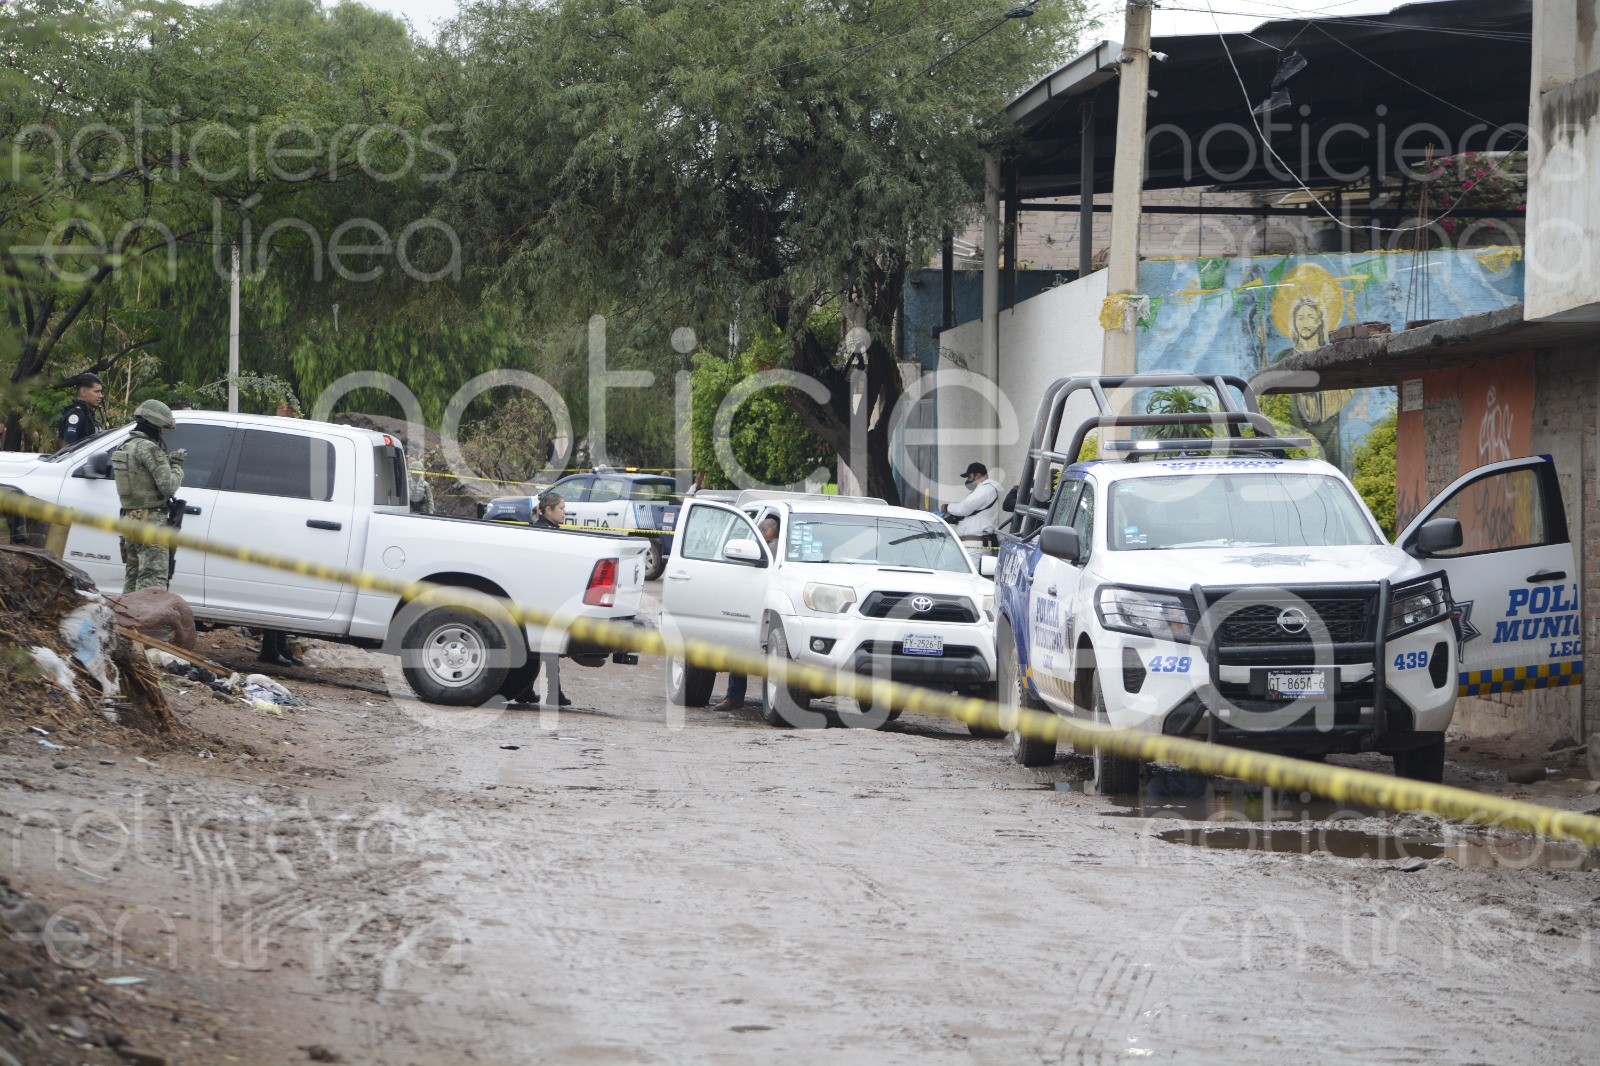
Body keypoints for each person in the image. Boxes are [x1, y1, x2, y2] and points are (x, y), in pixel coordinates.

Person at [110, 400, 186, 593]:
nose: (164, 432)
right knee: (152, 582)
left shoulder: (124, 446)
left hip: (129, 519)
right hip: (151, 520)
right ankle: (144, 624)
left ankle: (126, 622)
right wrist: (176, 465)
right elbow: (168, 486)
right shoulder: (149, 449)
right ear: (156, 426)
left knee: (132, 578)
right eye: (163, 428)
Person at [710, 517, 780, 713]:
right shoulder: (757, 547)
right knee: (739, 649)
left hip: (773, 608)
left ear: (773, 532)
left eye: (764, 529)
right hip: (752, 607)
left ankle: (736, 696)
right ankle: (734, 696)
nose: (761, 533)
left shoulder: (774, 547)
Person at [527, 490, 573, 705]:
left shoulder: (542, 530)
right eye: (562, 508)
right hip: (542, 599)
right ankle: (553, 693)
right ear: (548, 510)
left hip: (537, 597)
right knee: (547, 648)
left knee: (533, 648)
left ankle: (526, 690)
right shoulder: (546, 533)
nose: (565, 512)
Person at [941, 461, 1001, 557]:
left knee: (972, 572)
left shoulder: (985, 489)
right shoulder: (981, 490)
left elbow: (963, 508)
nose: (967, 481)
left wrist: (947, 507)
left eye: (969, 477)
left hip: (976, 545)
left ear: (977, 476)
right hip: (973, 544)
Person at [56, 372, 104, 449]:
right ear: (83, 392)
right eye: (97, 391)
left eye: (101, 392)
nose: (101, 396)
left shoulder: (87, 414)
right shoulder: (76, 415)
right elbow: (69, 448)